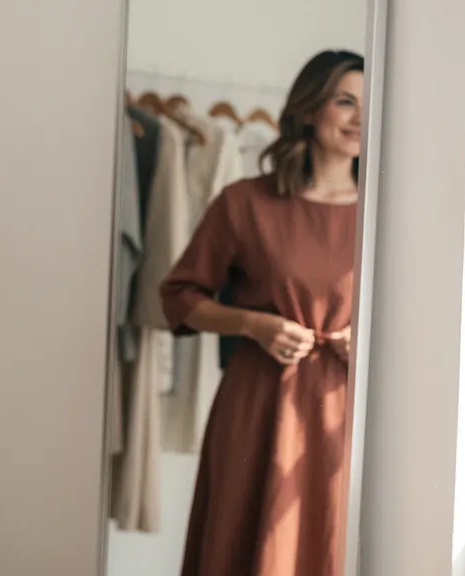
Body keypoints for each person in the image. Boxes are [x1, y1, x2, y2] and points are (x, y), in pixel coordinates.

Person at [159, 50, 363, 576]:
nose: (360, 117)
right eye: (345, 101)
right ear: (311, 109)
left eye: (369, 103)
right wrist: (253, 323)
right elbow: (179, 296)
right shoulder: (245, 202)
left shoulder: (388, 211)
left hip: (348, 410)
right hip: (259, 403)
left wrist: (367, 340)